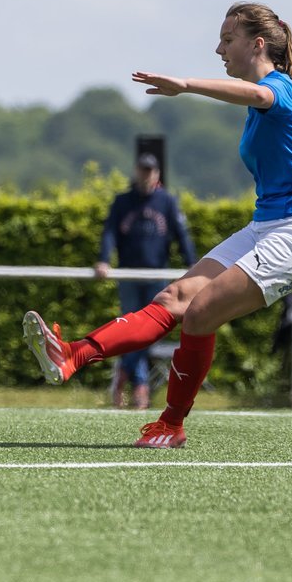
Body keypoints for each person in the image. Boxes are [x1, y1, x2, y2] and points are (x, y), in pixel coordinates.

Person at [23, 2, 292, 447]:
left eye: (227, 40)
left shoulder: (278, 90)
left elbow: (257, 96)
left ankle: (171, 424)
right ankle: (72, 354)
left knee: (201, 312)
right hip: (269, 225)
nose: (219, 48)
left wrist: (186, 85)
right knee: (173, 298)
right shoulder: (265, 99)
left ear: (257, 44)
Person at [95, 153, 197, 410]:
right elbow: (109, 233)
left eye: (150, 170)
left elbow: (180, 234)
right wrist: (104, 260)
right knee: (130, 329)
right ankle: (140, 384)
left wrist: (193, 264)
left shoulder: (167, 201)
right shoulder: (122, 202)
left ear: (157, 174)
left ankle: (127, 376)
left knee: (150, 331)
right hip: (129, 274)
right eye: (142, 170)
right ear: (136, 171)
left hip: (156, 275)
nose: (146, 174)